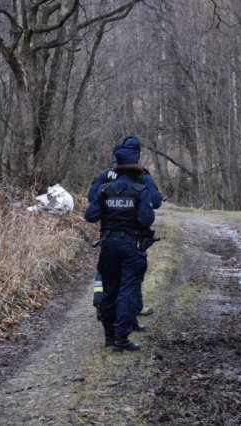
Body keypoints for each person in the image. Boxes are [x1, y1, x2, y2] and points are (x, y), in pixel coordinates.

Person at [85, 141, 155, 352]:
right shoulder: (140, 190)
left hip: (108, 246)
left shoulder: (105, 189)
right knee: (127, 291)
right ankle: (121, 339)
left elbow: (90, 216)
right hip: (130, 246)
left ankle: (109, 337)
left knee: (109, 291)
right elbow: (146, 220)